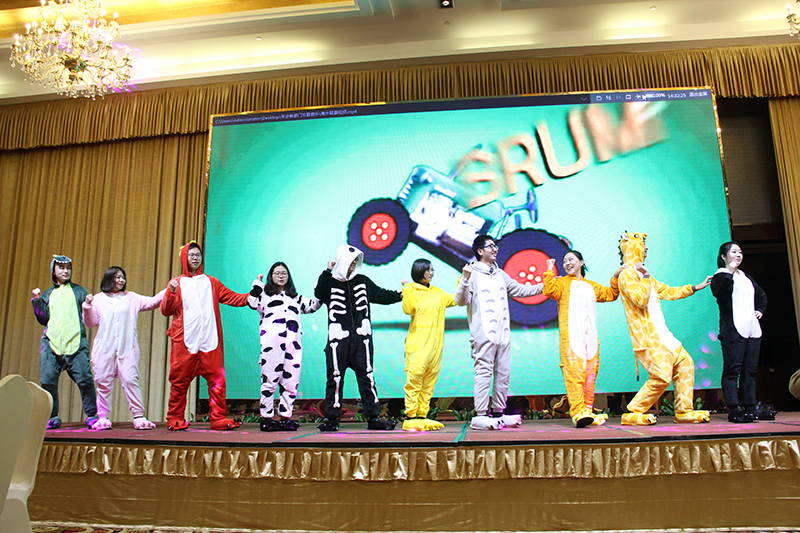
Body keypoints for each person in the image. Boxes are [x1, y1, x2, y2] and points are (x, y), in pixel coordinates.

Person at [617, 231, 711, 425]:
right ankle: (634, 411)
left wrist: (693, 288)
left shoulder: (647, 277)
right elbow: (640, 300)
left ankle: (684, 411)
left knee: (685, 363)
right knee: (661, 377)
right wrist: (644, 276)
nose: (646, 247)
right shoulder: (626, 275)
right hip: (648, 339)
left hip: (663, 335)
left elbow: (668, 291)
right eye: (642, 243)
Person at [454, 234, 544, 430]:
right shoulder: (471, 274)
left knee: (503, 373)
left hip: (503, 334)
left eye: (496, 246)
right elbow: (460, 300)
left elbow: (521, 290)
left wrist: (546, 286)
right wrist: (465, 279)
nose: (495, 249)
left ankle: (498, 413)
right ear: (480, 251)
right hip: (483, 334)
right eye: (491, 246)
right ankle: (480, 414)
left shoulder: (500, 274)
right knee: (484, 372)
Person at [160, 241, 248, 431]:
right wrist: (171, 292)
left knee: (218, 381)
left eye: (198, 255)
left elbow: (232, 297)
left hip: (210, 341)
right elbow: (166, 310)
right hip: (185, 343)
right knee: (179, 382)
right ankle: (175, 417)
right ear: (184, 258)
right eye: (191, 255)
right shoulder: (176, 283)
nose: (195, 258)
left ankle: (218, 418)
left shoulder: (211, 282)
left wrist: (252, 296)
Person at [314, 244, 403, 432]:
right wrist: (327, 272)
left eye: (356, 262)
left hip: (362, 339)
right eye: (350, 261)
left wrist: (400, 295)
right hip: (338, 340)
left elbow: (381, 295)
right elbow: (319, 293)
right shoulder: (330, 283)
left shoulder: (363, 281)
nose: (353, 265)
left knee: (367, 377)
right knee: (335, 378)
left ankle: (373, 417)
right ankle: (332, 419)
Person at [543, 251, 623, 428]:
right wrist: (549, 269)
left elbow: (611, 294)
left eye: (571, 259)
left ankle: (587, 411)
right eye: (564, 260)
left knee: (590, 377)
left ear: (581, 262)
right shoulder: (562, 283)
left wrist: (616, 276)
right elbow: (549, 290)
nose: (567, 263)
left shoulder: (591, 286)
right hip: (572, 338)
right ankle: (578, 412)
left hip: (591, 338)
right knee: (574, 375)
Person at [82, 266, 166, 430]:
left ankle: (139, 416)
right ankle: (102, 417)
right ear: (109, 278)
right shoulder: (98, 299)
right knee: (103, 383)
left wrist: (168, 289)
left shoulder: (131, 297)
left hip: (126, 349)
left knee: (130, 380)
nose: (121, 280)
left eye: (123, 277)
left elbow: (152, 302)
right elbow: (90, 322)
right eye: (117, 277)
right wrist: (87, 306)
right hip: (104, 349)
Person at [248, 262, 321, 432]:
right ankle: (266, 418)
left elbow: (313, 305)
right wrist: (257, 284)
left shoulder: (295, 298)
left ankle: (285, 417)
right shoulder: (264, 296)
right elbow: (252, 302)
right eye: (277, 273)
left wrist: (322, 285)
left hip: (293, 347)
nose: (281, 276)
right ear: (271, 276)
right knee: (269, 381)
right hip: (272, 346)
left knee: (291, 383)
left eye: (284, 273)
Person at [31, 255, 99, 429]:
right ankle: (52, 416)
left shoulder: (80, 291)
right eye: (61, 268)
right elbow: (43, 319)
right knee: (48, 381)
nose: (66, 271)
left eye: (68, 267)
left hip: (75, 342)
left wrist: (89, 304)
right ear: (53, 270)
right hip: (51, 343)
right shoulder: (48, 294)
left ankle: (92, 415)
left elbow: (88, 316)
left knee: (85, 379)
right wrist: (37, 303)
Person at [711, 241, 772, 422]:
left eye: (740, 252)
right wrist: (729, 271)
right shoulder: (720, 276)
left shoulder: (746, 277)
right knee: (732, 370)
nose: (738, 255)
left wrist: (760, 310)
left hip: (752, 328)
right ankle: (734, 409)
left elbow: (761, 295)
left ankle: (750, 407)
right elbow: (722, 295)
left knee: (750, 371)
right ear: (724, 256)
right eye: (734, 252)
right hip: (733, 329)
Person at [401, 259, 456, 431]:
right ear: (419, 271)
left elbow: (456, 299)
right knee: (415, 380)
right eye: (427, 270)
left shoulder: (438, 292)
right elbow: (408, 309)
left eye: (432, 270)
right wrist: (406, 288)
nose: (431, 273)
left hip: (435, 347)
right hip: (418, 345)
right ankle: (411, 417)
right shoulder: (411, 290)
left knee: (429, 382)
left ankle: (422, 416)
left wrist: (464, 279)